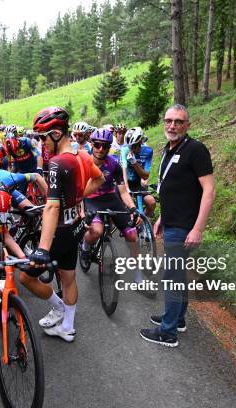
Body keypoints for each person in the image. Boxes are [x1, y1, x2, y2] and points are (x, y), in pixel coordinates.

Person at [27, 107, 105, 343]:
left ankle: (58, 308)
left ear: (57, 134)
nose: (42, 143)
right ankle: (67, 327)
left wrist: (42, 248)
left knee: (26, 278)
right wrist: (80, 196)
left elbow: (51, 207)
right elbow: (99, 178)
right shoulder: (82, 155)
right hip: (76, 227)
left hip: (59, 232)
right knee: (69, 277)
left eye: (43, 137)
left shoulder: (57, 163)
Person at [140, 104, 215, 347]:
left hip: (185, 226)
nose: (172, 125)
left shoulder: (196, 150)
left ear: (187, 126)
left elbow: (209, 190)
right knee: (178, 274)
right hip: (173, 221)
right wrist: (162, 216)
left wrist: (198, 228)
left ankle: (168, 332)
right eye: (169, 121)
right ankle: (177, 319)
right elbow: (173, 188)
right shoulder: (169, 150)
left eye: (178, 122)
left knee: (171, 276)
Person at [79, 128, 144, 283]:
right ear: (92, 144)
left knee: (132, 235)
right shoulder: (82, 162)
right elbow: (79, 191)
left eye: (105, 146)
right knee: (96, 231)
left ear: (109, 147)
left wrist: (133, 209)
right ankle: (85, 248)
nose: (101, 149)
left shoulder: (113, 163)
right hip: (90, 198)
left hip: (110, 197)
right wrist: (81, 211)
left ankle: (137, 273)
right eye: (97, 145)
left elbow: (122, 192)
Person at [121, 127, 156, 217]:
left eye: (134, 146)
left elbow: (145, 176)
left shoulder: (148, 151)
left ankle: (144, 221)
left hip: (137, 183)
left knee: (151, 202)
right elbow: (124, 171)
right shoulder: (125, 150)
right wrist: (127, 189)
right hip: (125, 183)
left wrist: (134, 162)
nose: (131, 149)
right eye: (130, 146)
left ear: (140, 142)